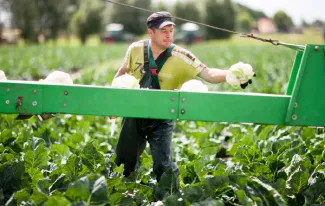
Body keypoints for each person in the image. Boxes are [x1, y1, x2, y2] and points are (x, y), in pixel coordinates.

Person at [112, 11, 254, 184]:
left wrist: (231, 74)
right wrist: (114, 104)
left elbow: (208, 73)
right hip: (133, 114)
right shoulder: (135, 49)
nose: (169, 34)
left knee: (162, 165)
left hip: (162, 117)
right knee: (123, 160)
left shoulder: (181, 56)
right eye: (163, 30)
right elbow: (121, 74)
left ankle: (168, 197)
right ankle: (122, 193)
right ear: (151, 32)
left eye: (171, 30)